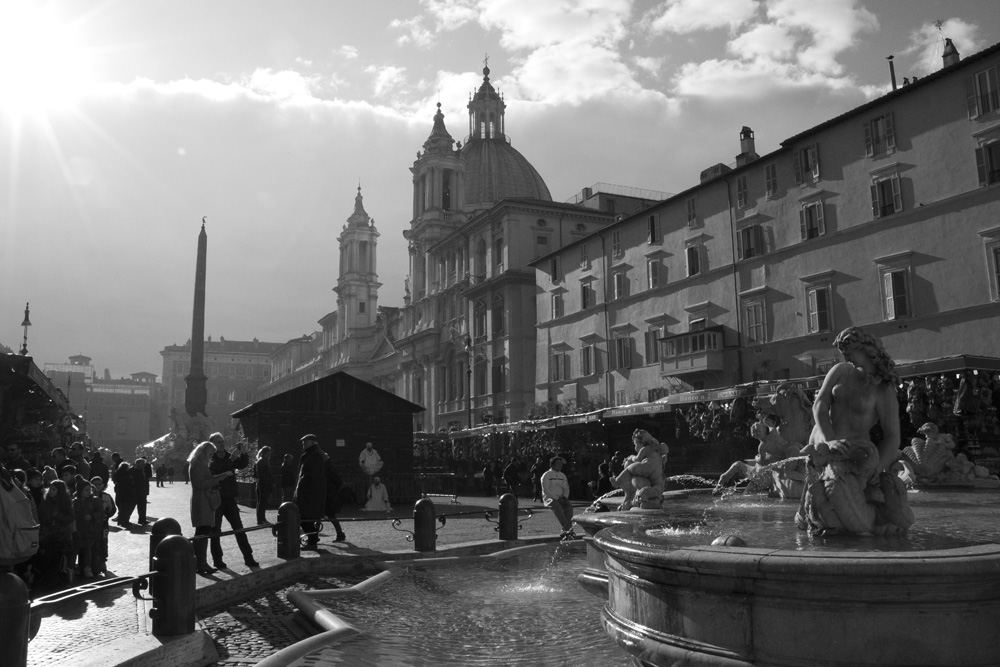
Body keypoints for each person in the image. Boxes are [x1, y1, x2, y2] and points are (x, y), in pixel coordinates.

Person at [797, 327, 913, 535]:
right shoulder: (841, 371)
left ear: (866, 350)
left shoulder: (883, 389)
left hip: (855, 454)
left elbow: (892, 436)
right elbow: (820, 404)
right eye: (843, 352)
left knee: (842, 507)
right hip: (823, 441)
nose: (845, 356)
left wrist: (874, 470)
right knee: (809, 511)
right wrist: (830, 440)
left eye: (849, 352)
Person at [207, 432, 259, 568]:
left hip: (230, 498)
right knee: (215, 531)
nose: (222, 444)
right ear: (212, 445)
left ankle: (248, 557)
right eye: (218, 442)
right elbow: (216, 470)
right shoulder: (210, 458)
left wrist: (244, 453)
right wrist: (231, 460)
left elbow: (242, 464)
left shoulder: (229, 456)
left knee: (239, 529)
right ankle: (217, 560)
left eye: (222, 441)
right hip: (216, 498)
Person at [187, 441, 233, 575]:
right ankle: (201, 563)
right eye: (210, 453)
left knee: (203, 532)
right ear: (204, 451)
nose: (211, 456)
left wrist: (219, 477)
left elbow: (205, 480)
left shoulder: (200, 464)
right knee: (202, 533)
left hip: (204, 501)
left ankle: (200, 562)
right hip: (202, 502)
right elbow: (200, 484)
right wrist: (219, 479)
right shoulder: (197, 464)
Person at [295, 434, 328, 548]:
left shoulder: (315, 455)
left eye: (305, 442)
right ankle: (311, 540)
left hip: (310, 492)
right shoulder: (311, 454)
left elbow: (310, 474)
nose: (303, 444)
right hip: (308, 492)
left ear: (313, 442)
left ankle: (312, 542)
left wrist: (302, 484)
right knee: (305, 517)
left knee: (307, 518)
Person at [541, 456, 576, 539]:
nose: (560, 465)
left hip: (561, 497)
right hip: (549, 498)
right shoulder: (546, 475)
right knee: (557, 506)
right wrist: (557, 498)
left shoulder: (562, 475)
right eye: (558, 464)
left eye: (561, 464)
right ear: (552, 465)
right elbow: (546, 490)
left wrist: (565, 497)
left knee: (569, 507)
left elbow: (566, 488)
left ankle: (565, 530)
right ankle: (568, 529)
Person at [90, 476, 115, 575]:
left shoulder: (106, 496)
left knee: (103, 542)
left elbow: (113, 508)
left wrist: (107, 515)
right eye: (94, 484)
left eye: (99, 484)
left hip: (103, 525)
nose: (96, 486)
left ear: (103, 485)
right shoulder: (88, 497)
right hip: (91, 525)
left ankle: (103, 561)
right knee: (92, 542)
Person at [323, 456, 347, 541]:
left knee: (330, 515)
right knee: (329, 516)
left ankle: (340, 534)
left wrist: (332, 492)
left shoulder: (328, 469)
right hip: (327, 494)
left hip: (328, 496)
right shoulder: (328, 468)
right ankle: (340, 534)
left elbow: (338, 481)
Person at [254, 446, 273, 525]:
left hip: (261, 484)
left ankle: (261, 519)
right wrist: (267, 483)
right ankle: (261, 519)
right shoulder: (263, 461)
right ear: (267, 453)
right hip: (263, 485)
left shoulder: (261, 460)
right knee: (262, 502)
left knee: (260, 502)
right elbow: (263, 475)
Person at [112, 461, 135, 527]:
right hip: (126, 492)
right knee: (127, 507)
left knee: (122, 508)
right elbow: (129, 483)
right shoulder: (127, 474)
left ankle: (121, 520)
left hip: (119, 492)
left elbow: (115, 480)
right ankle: (124, 521)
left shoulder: (117, 473)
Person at [132, 458, 151, 525]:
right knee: (131, 507)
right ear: (137, 464)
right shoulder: (133, 471)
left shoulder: (141, 471)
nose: (143, 466)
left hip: (142, 492)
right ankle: (124, 520)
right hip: (136, 492)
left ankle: (142, 519)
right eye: (142, 464)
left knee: (142, 507)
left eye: (144, 464)